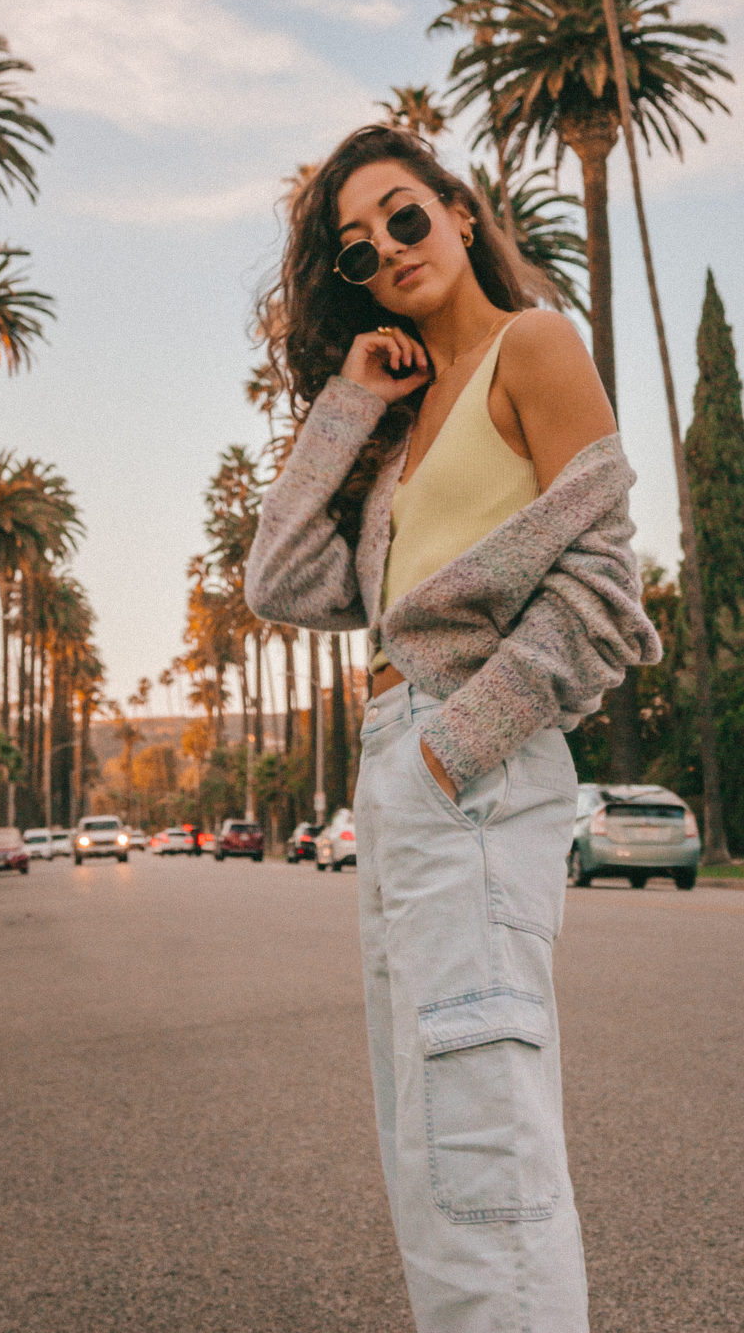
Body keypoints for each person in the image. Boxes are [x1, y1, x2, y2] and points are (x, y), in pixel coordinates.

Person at [246, 123, 659, 1333]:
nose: (386, 249)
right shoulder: (402, 434)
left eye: (405, 216)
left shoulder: (535, 346)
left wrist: (448, 752)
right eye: (357, 249)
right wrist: (351, 398)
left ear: (462, 215)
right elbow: (274, 579)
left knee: (480, 1144)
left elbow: (602, 589)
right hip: (406, 781)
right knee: (428, 1142)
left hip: (459, 771)